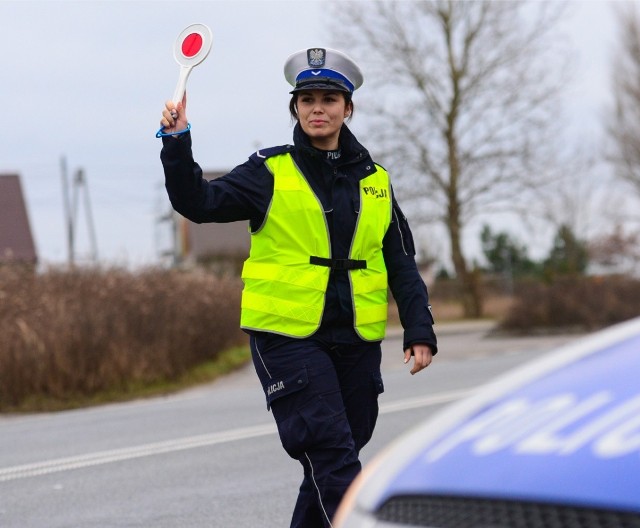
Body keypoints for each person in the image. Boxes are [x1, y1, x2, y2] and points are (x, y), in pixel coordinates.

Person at [157, 47, 437, 527]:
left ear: (348, 109)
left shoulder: (376, 182)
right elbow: (197, 201)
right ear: (296, 108)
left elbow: (400, 262)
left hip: (356, 339)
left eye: (329, 98)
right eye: (306, 99)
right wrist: (177, 140)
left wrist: (419, 329)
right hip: (287, 337)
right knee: (331, 453)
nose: (317, 108)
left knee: (338, 453)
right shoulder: (268, 170)